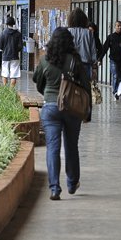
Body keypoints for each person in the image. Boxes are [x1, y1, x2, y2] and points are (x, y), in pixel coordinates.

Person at [32, 28, 91, 198]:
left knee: (53, 148)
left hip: (50, 108)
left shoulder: (45, 60)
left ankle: (54, 188)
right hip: (72, 108)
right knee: (71, 146)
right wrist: (87, 111)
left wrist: (48, 94)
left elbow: (37, 80)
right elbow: (86, 86)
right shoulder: (75, 61)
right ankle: (72, 183)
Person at [66, 8, 98, 86]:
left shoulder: (67, 32)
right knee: (84, 92)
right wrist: (94, 69)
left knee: (71, 89)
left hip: (70, 65)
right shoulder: (89, 33)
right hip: (85, 66)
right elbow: (93, 53)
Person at [102, 20, 121, 98]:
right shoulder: (111, 37)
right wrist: (100, 59)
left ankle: (118, 91)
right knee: (115, 75)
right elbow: (105, 48)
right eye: (118, 26)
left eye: (120, 26)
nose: (119, 27)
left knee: (120, 76)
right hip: (113, 60)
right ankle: (115, 91)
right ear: (115, 27)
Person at [0, 16, 24, 88]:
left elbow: (0, 46)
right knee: (14, 74)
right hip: (15, 56)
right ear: (13, 24)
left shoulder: (3, 33)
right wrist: (15, 50)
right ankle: (11, 90)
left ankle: (5, 89)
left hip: (5, 56)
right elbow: (20, 46)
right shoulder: (18, 34)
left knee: (4, 73)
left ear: (6, 24)